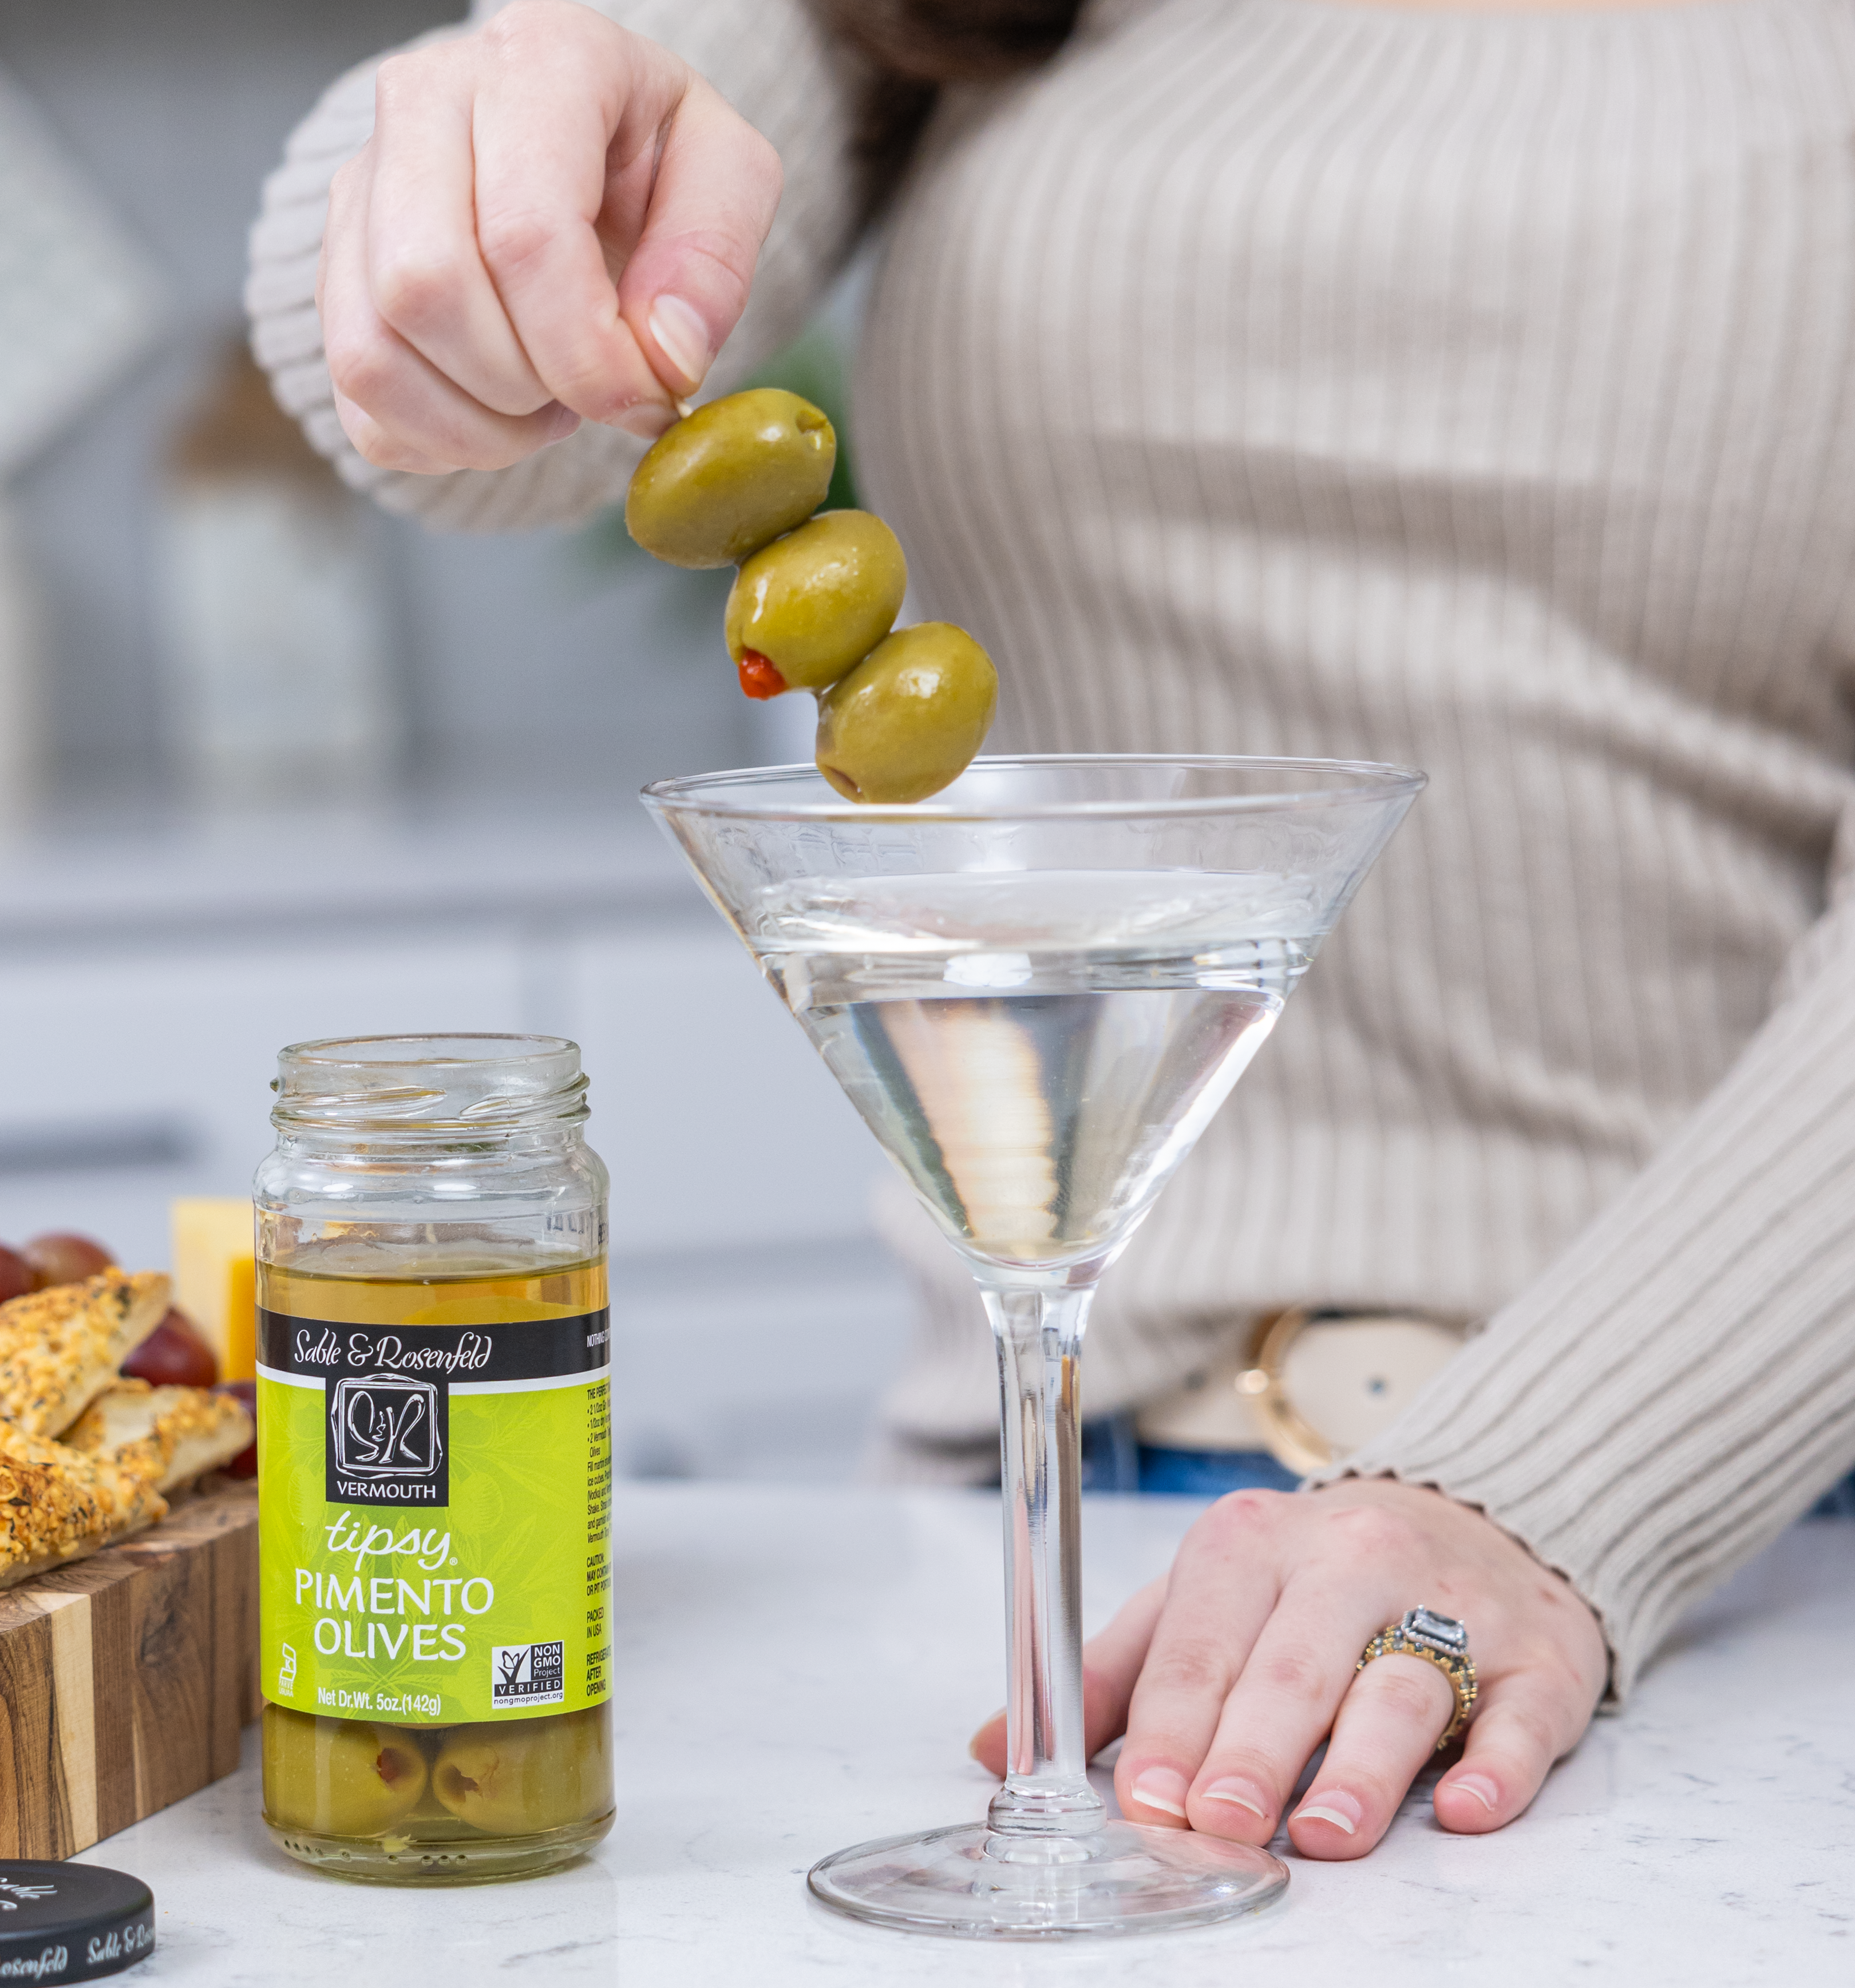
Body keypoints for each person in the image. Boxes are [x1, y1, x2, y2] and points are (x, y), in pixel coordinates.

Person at [247, 0, 1855, 1862]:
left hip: (1711, 1576)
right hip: (1021, 1565)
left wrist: (1550, 1491)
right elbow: (457, 431)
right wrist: (488, 144)